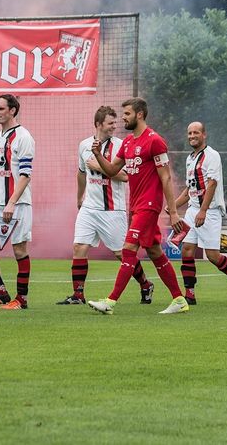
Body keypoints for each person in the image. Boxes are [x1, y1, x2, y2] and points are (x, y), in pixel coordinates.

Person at [88, 98, 190, 315]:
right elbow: (113, 171)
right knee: (154, 252)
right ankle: (179, 300)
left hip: (149, 205)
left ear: (140, 114)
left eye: (126, 113)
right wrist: (97, 155)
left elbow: (166, 178)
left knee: (128, 249)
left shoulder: (155, 141)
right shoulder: (127, 143)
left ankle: (111, 301)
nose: (123, 118)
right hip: (135, 206)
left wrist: (173, 213)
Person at [57, 105, 155, 305]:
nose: (114, 126)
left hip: (112, 210)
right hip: (89, 208)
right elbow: (81, 173)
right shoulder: (84, 145)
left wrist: (100, 167)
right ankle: (78, 295)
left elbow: (126, 177)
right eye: (110, 123)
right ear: (98, 124)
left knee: (121, 253)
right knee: (79, 247)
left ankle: (145, 284)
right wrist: (79, 196)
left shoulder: (122, 145)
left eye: (115, 123)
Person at [170, 121, 227, 305]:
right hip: (193, 210)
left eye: (196, 132)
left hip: (210, 211)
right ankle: (190, 294)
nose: (192, 136)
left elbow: (212, 183)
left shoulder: (212, 156)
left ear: (204, 135)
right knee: (187, 250)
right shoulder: (190, 158)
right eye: (189, 133)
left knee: (212, 255)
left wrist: (203, 211)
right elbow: (189, 189)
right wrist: (173, 206)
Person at [0, 94, 35, 310]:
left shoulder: (24, 137)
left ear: (12, 111)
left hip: (17, 203)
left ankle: (21, 299)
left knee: (19, 249)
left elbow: (25, 175)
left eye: (1, 109)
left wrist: (11, 202)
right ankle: (0, 292)